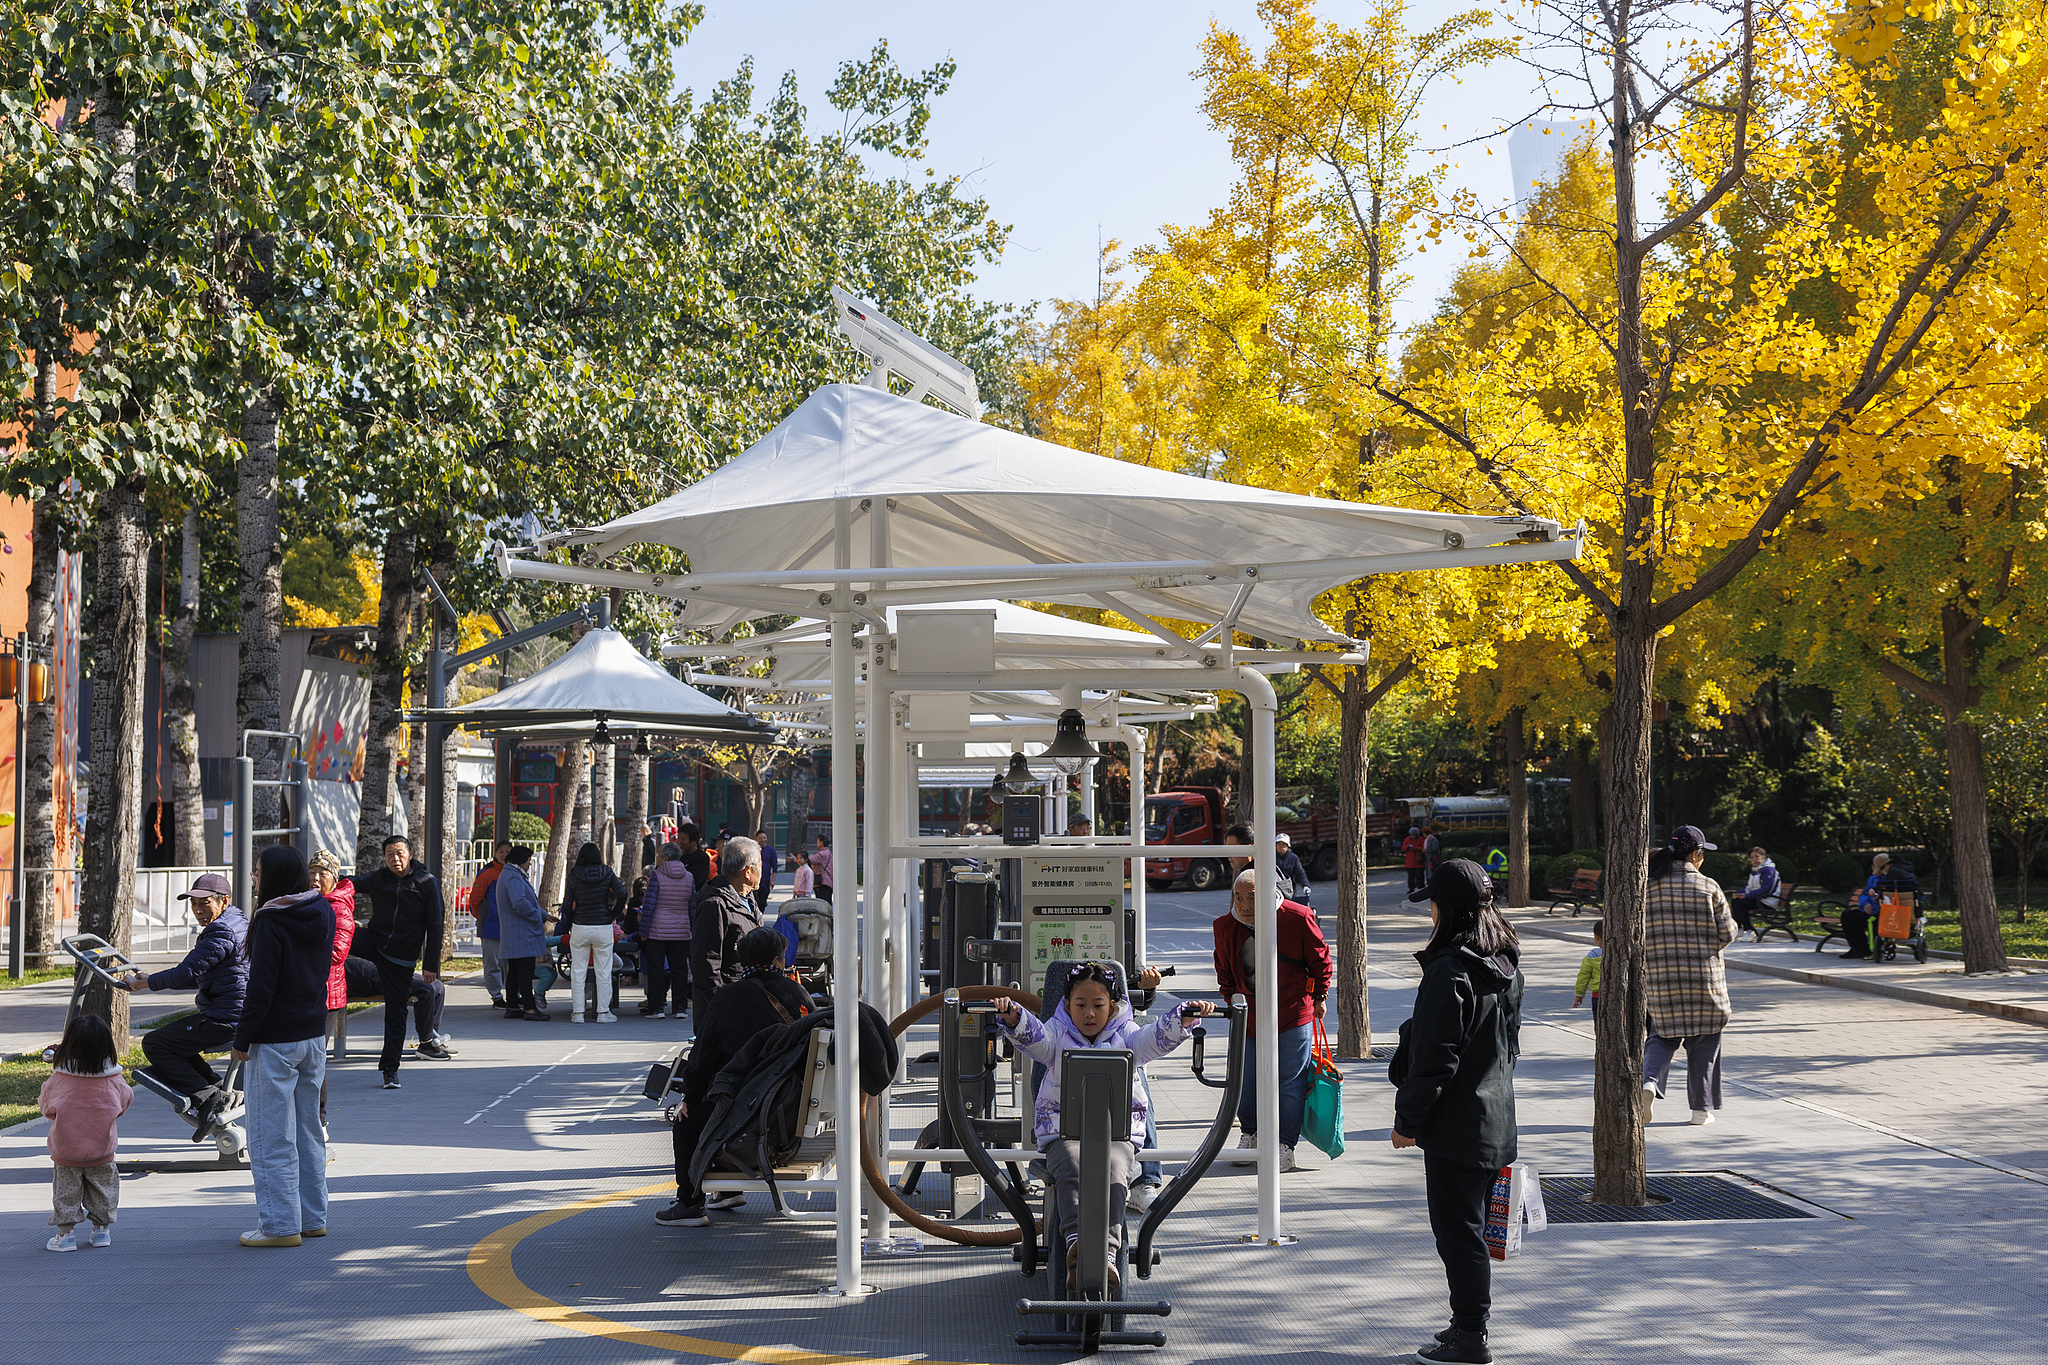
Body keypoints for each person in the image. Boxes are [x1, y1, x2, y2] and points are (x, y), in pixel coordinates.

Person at [990, 963, 1216, 1292]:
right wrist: (1013, 1018)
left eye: (1098, 1005)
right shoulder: (1056, 1035)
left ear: (1113, 1005)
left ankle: (1107, 1254)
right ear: (1067, 1005)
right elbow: (1034, 1038)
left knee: (1115, 1169)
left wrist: (1182, 1018)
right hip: (1063, 1133)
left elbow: (1154, 1039)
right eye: (1080, 1005)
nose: (1090, 1014)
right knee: (1070, 1166)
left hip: (1116, 1135)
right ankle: (1076, 1246)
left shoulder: (1128, 1036)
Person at [1389, 858, 1524, 1365]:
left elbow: (1434, 1059)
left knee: (1460, 1237)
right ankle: (1465, 1326)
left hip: (1458, 1127)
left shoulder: (1451, 970)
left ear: (1446, 910)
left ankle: (1471, 1337)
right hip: (1496, 1119)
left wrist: (1408, 1122)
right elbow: (1507, 1046)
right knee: (1468, 1234)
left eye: (1433, 905)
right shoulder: (1505, 963)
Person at [655, 927, 814, 1226]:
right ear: (779, 960)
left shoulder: (728, 998)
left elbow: (702, 1058)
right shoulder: (798, 992)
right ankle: (727, 1190)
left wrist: (689, 1097)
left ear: (743, 960)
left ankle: (689, 1204)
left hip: (751, 1114)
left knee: (688, 1123)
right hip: (791, 1108)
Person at [233, 844, 336, 1247]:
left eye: (258, 872)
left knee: (271, 1135)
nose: (255, 878)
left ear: (273, 876)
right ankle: (313, 1217)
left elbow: (261, 989)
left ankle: (279, 1225)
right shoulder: (323, 910)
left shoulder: (271, 920)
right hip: (313, 1034)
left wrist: (242, 1039)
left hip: (274, 1041)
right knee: (309, 1131)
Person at [1214, 867, 1332, 1172]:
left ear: (1268, 894)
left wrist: (1319, 997)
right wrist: (1232, 1002)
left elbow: (1320, 961)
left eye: (1251, 898)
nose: (1244, 905)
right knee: (1244, 1080)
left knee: (1290, 1083)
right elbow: (1224, 971)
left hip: (1293, 1013)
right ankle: (1249, 1134)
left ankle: (1284, 1145)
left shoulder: (1296, 916)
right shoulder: (1225, 926)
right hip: (1249, 1017)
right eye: (1238, 898)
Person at [120, 871, 246, 1138]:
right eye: (194, 904)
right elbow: (202, 971)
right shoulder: (238, 922)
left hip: (226, 1018)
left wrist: (142, 984)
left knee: (155, 1043)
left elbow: (186, 972)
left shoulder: (220, 932)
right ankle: (217, 1089)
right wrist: (150, 978)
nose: (198, 911)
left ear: (224, 901)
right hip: (239, 1013)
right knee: (177, 1043)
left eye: (205, 903)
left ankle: (208, 1097)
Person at [1642, 825, 1736, 1125]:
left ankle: (1649, 1083)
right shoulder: (1708, 887)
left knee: (1661, 1035)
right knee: (1705, 1042)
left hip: (1660, 976)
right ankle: (1701, 1110)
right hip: (1704, 980)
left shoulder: (1647, 887)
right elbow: (1727, 933)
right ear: (1696, 854)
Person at [356, 835, 445, 1089]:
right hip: (373, 941)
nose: (395, 859)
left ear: (410, 854)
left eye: (399, 853)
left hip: (400, 958)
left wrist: (431, 965)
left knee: (395, 1014)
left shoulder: (426, 883)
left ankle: (389, 1070)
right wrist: (323, 880)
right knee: (342, 929)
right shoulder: (378, 879)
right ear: (384, 858)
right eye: (389, 855)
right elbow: (351, 884)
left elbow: (435, 926)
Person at [38, 1013, 132, 1251]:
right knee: (103, 1189)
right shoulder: (113, 1077)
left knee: (66, 1193)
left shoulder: (61, 1078)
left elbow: (46, 1107)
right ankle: (101, 1231)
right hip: (102, 1148)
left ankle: (65, 1235)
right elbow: (124, 1101)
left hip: (66, 1150)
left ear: (68, 1044)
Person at [692, 836, 766, 1017]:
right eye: (761, 866)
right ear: (747, 872)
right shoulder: (715, 905)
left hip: (749, 1001)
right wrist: (725, 1006)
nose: (762, 871)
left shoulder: (748, 899)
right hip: (727, 1011)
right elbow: (706, 967)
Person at [310, 850, 356, 1132]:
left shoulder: (339, 907)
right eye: (312, 872)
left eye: (322, 873)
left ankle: (320, 1121)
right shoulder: (306, 902)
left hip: (327, 997)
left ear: (334, 878)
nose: (315, 878)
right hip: (304, 993)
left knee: (315, 1060)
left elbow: (337, 953)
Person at [560, 841, 628, 1022]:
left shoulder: (574, 875)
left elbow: (567, 903)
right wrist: (613, 914)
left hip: (580, 925)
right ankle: (603, 1013)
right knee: (604, 971)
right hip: (603, 925)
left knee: (578, 971)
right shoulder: (607, 872)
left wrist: (571, 921)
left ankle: (578, 1013)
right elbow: (622, 892)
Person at [639, 842, 695, 1017]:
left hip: (658, 930)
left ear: (664, 857)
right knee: (680, 970)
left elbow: (649, 905)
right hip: (681, 930)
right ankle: (680, 1007)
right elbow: (691, 906)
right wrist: (692, 927)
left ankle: (657, 1007)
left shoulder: (656, 876)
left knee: (656, 970)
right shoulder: (689, 877)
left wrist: (643, 931)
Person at [497, 846, 551, 1020]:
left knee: (514, 971)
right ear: (521, 860)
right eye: (528, 860)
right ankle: (529, 1007)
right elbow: (520, 902)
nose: (529, 864)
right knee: (525, 972)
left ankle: (512, 1005)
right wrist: (537, 916)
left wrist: (545, 915)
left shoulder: (509, 874)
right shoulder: (513, 877)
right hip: (522, 934)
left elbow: (527, 901)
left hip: (513, 934)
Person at [1840, 852, 1906, 960]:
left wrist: (1877, 900)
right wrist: (1865, 904)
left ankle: (1863, 949)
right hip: (1869, 909)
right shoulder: (1873, 879)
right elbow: (1864, 894)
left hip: (1882, 912)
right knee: (1846, 915)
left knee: (1855, 919)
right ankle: (1856, 948)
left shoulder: (1891, 878)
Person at [471, 840, 511, 1008]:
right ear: (495, 853)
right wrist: (482, 917)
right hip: (490, 925)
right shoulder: (487, 873)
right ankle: (496, 997)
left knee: (509, 964)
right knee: (492, 963)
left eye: (508, 852)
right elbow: (475, 899)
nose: (504, 855)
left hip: (510, 926)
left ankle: (513, 994)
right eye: (501, 851)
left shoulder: (513, 872)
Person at [1729, 846, 1781, 942]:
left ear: (1764, 857)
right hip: (1758, 900)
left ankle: (1749, 931)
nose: (1754, 859)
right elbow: (1747, 887)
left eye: (1757, 856)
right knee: (1735, 900)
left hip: (1767, 902)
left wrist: (1747, 896)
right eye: (1752, 857)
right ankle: (1740, 929)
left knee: (1741, 904)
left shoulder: (1769, 870)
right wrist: (1739, 894)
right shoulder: (1755, 870)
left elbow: (1766, 890)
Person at [1572, 919, 1603, 1020]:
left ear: (1596, 938)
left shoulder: (1591, 957)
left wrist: (1579, 994)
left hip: (1597, 995)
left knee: (1599, 1021)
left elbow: (1583, 977)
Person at [1276, 833, 1312, 904]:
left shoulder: (1293, 858)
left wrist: (1305, 886)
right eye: (1279, 844)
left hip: (1290, 891)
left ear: (1288, 846)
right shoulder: (1271, 857)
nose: (1281, 846)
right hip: (1275, 891)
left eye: (1283, 844)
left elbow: (1300, 873)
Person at [754, 829, 779, 914]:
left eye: (764, 838)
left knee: (763, 901)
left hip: (765, 879)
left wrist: (773, 880)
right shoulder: (753, 850)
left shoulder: (771, 850)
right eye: (761, 838)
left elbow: (775, 866)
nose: (763, 840)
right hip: (754, 879)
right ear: (756, 839)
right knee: (754, 900)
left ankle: (760, 916)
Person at [1401, 826, 1429, 894]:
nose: (1413, 836)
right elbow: (1403, 847)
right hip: (1410, 861)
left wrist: (1415, 848)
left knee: (1420, 875)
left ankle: (1421, 888)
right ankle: (1411, 888)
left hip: (1418, 861)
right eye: (1412, 835)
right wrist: (1407, 847)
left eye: (1414, 835)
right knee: (1411, 876)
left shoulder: (1420, 839)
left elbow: (1423, 848)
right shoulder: (1407, 839)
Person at [810, 834, 834, 904]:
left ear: (822, 842)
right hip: (828, 882)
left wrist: (796, 859)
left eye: (818, 840)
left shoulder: (822, 854)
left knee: (822, 904)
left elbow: (810, 860)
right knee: (827, 903)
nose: (817, 842)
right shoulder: (828, 852)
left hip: (822, 882)